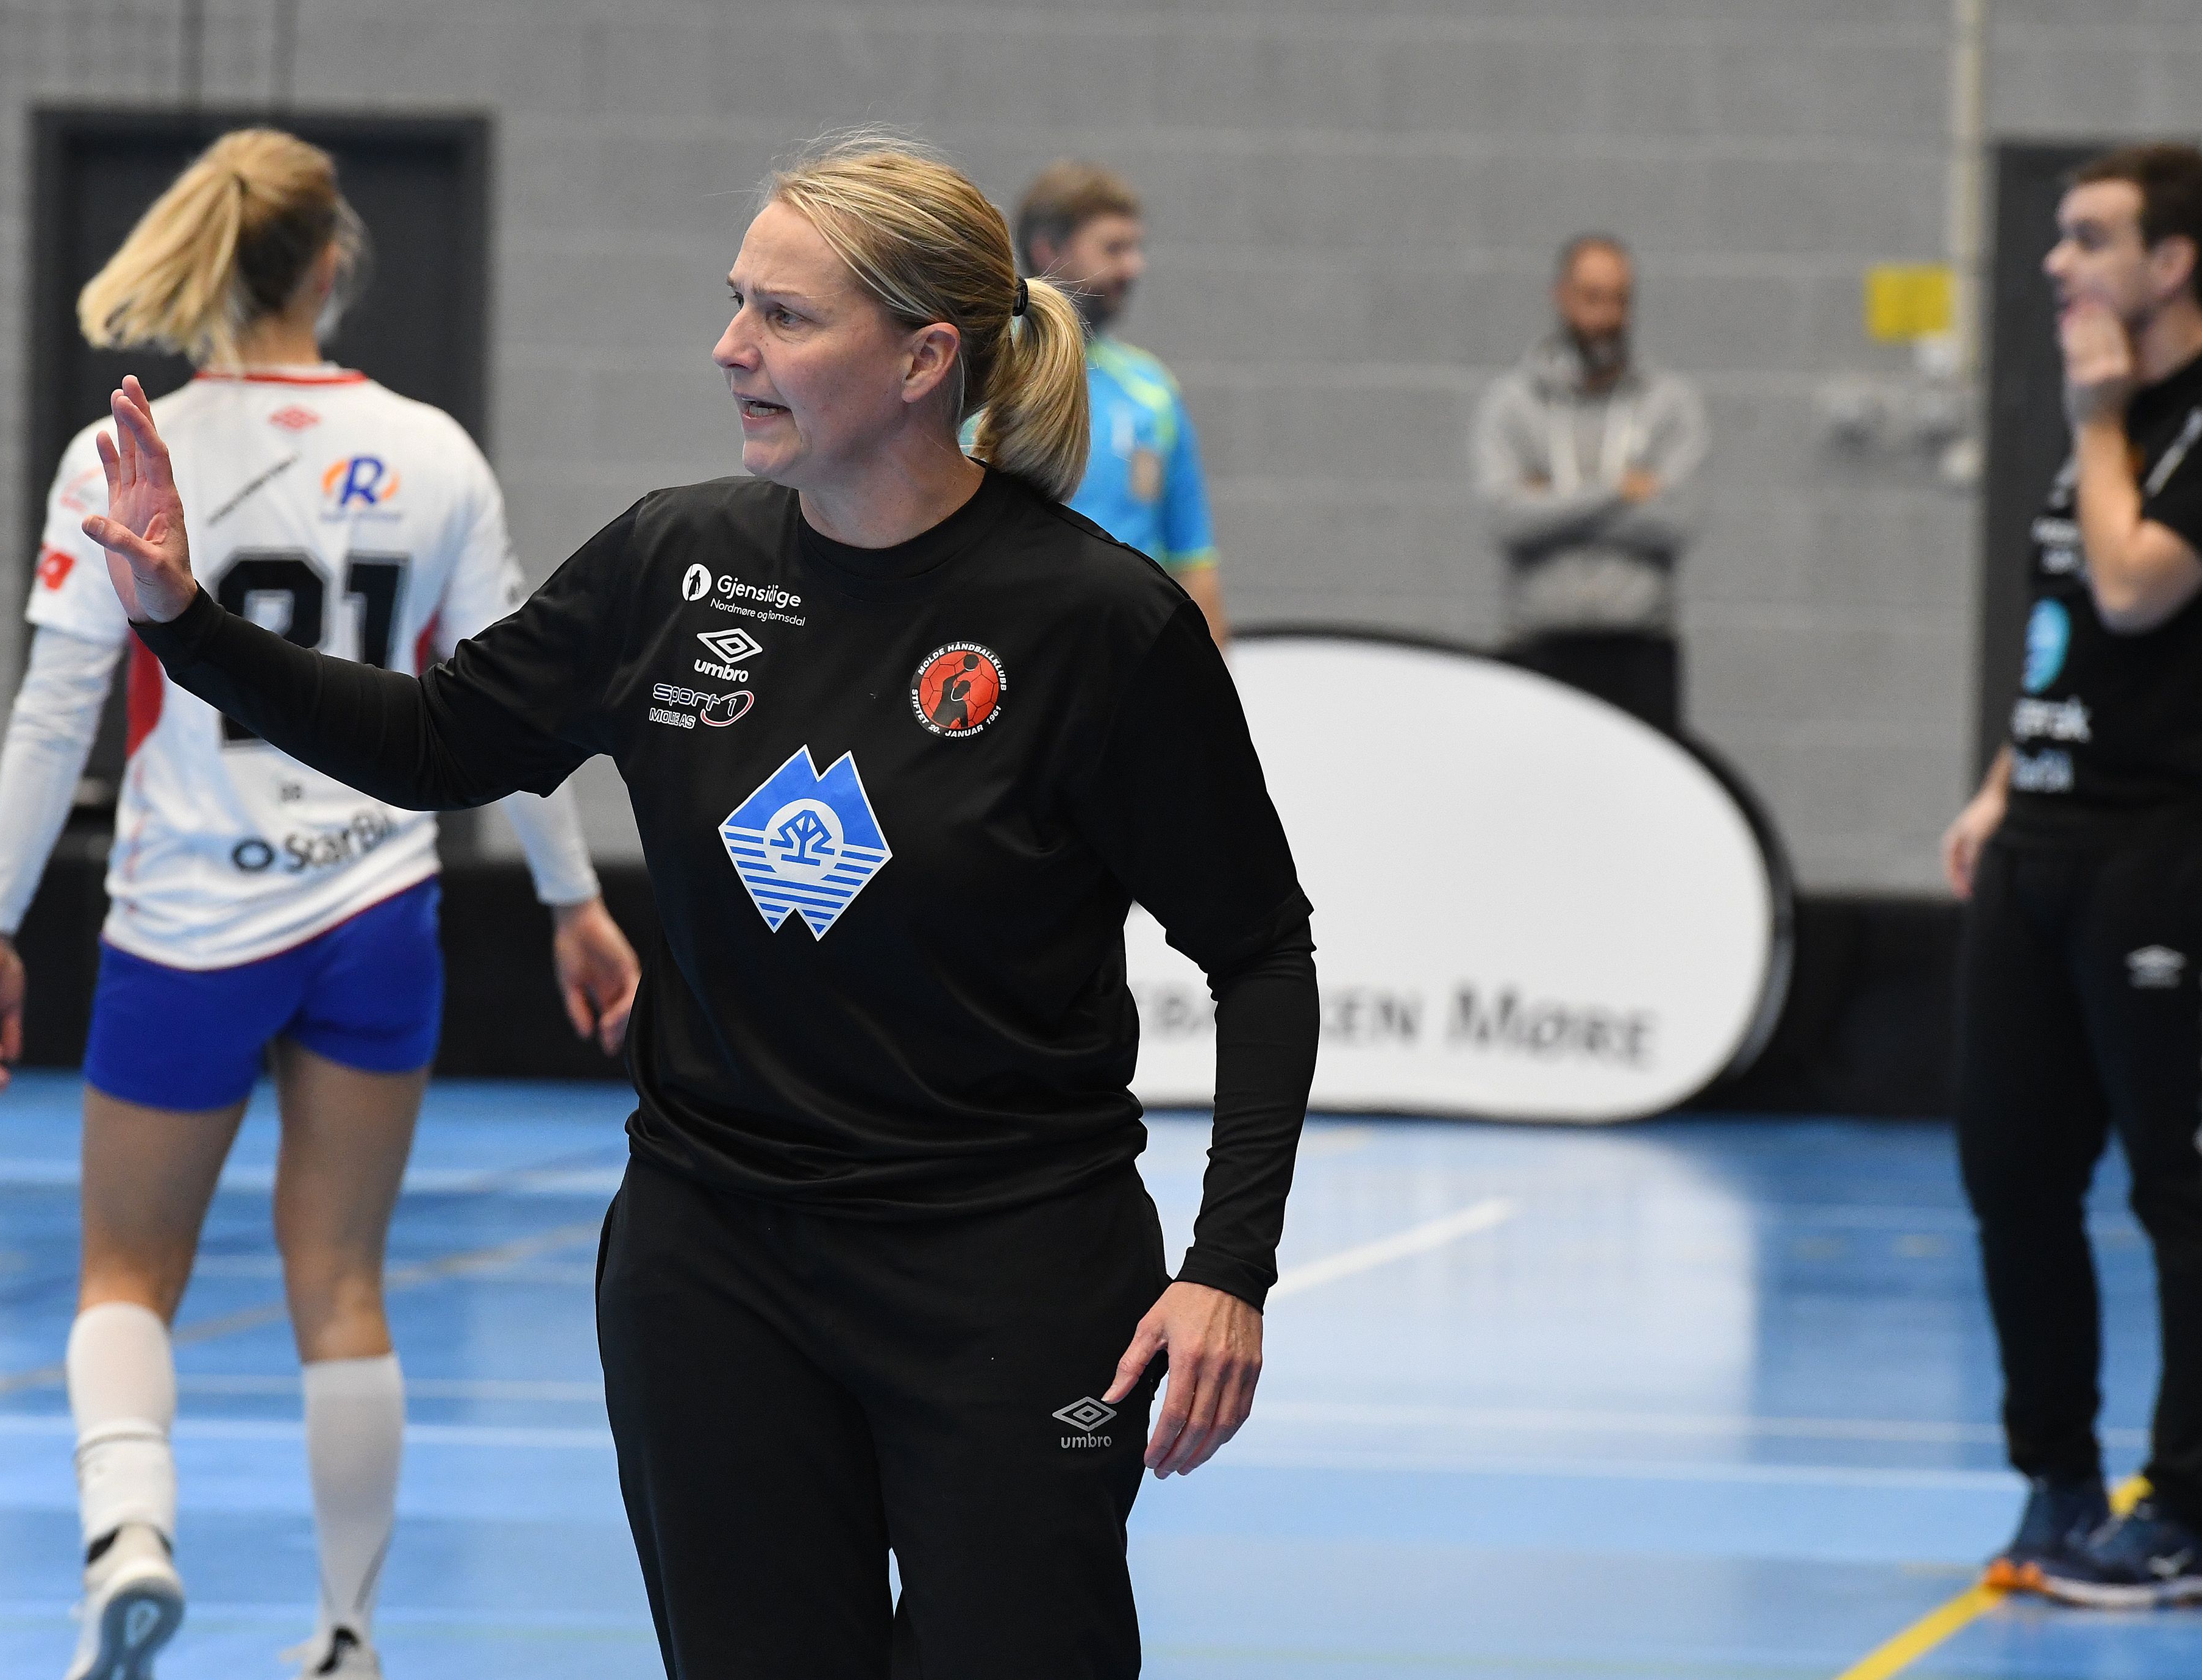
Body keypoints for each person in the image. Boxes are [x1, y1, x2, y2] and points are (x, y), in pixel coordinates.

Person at [82, 134, 1319, 1679]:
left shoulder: (1097, 625)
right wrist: (185, 624)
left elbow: (1260, 951)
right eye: (737, 301)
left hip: (1012, 1273)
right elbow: (437, 742)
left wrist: (1227, 1265)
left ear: (923, 358)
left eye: (784, 317)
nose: (731, 346)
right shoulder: (672, 563)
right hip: (713, 1269)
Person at [0, 129, 641, 1680]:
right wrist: (574, 900)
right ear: (333, 261)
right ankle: (344, 1635)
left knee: (127, 1275)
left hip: (186, 919)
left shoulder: (128, 449)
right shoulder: (435, 451)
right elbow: (513, 712)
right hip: (373, 907)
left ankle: (130, 1535)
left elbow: (57, 710)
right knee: (342, 1283)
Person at [1940, 141, 2202, 1608]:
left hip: (2165, 857)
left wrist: (2099, 417)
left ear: (2170, 262)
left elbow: (2134, 583)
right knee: (2010, 1173)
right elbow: (2072, 627)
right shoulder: (2100, 425)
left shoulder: (2186, 418)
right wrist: (2006, 779)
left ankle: (2195, 1510)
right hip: (2041, 849)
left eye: (2088, 237)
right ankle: (2056, 1476)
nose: (2056, 263)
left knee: (2184, 1186)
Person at [1470, 233, 1708, 734]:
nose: (1606, 316)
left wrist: (1551, 501)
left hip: (1639, 654)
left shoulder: (1669, 403)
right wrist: (1619, 493)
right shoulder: (1512, 404)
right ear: (1562, 297)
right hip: (1539, 648)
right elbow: (1506, 521)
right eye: (1592, 298)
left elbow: (1676, 521)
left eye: (1620, 300)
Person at [1016, 160, 1229, 646]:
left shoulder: (1152, 391)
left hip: (1130, 657)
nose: (1134, 267)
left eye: (1136, 248)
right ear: (1048, 251)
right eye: (1114, 248)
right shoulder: (980, 376)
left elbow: (1193, 554)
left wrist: (1215, 679)